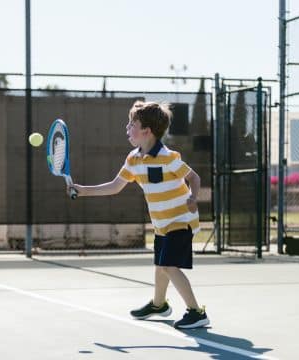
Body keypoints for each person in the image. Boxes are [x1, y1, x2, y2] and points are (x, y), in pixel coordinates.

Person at [67, 100, 209, 329]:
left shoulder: (169, 157)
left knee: (169, 265)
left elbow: (194, 178)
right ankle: (159, 304)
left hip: (181, 219)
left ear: (147, 131)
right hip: (161, 223)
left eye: (132, 123)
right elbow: (114, 186)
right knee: (161, 265)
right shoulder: (133, 159)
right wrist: (83, 191)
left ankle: (196, 312)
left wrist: (193, 197)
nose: (127, 127)